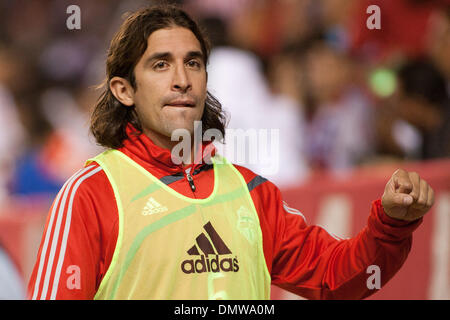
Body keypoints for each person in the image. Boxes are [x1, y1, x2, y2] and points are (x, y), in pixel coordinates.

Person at [28, 5, 435, 300]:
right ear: (124, 90)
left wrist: (391, 226)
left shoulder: (252, 192)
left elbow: (335, 278)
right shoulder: (91, 194)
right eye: (160, 65)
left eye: (193, 63)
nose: (182, 80)